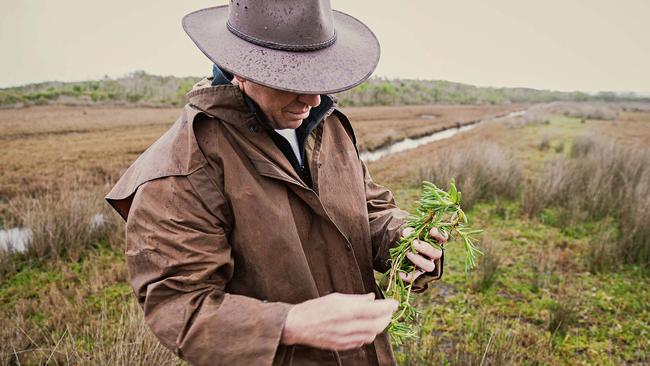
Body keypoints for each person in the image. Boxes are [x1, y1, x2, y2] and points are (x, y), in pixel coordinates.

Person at [105, 1, 446, 365]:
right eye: (294, 79)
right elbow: (180, 309)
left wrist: (402, 238)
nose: (313, 98)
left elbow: (366, 207)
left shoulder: (326, 124)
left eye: (320, 76)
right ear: (241, 68)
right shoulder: (181, 167)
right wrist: (289, 324)